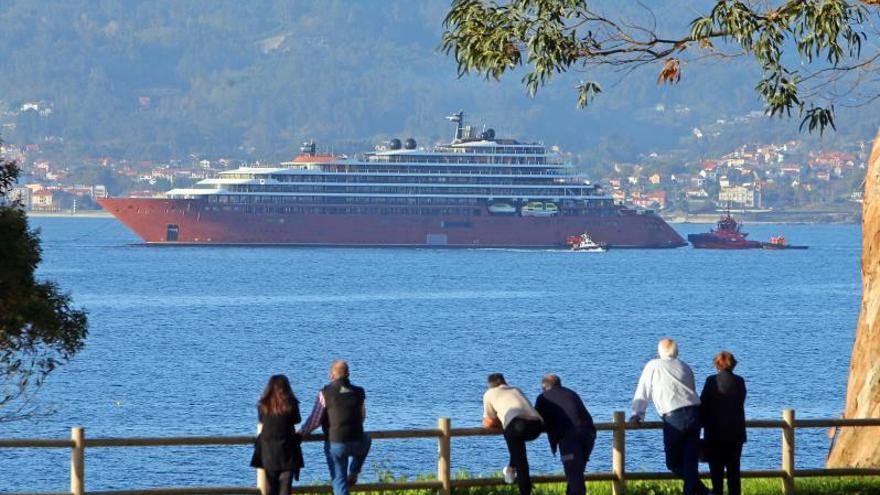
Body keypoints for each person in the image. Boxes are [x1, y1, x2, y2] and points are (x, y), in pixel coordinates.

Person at [630, 339, 709, 495]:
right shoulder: (685, 366)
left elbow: (643, 391)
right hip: (694, 415)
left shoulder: (653, 365)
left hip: (674, 417)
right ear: (676, 351)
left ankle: (705, 492)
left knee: (673, 463)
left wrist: (637, 414)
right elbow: (692, 390)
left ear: (660, 351)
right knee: (690, 462)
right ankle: (698, 492)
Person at [299, 360, 371, 495]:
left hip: (336, 444)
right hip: (357, 441)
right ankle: (355, 471)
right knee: (367, 438)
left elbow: (315, 420)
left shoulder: (325, 392)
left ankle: (351, 475)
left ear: (331, 375)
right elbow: (362, 416)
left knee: (339, 483)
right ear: (348, 374)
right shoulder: (359, 392)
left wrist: (300, 433)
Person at [534, 374, 596, 495]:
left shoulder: (543, 397)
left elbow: (537, 419)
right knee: (577, 473)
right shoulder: (571, 393)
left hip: (569, 437)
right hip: (589, 433)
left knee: (574, 476)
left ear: (544, 387)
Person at [482, 373, 544, 495]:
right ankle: (510, 468)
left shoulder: (489, 393)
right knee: (517, 448)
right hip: (537, 425)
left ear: (490, 385)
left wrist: (500, 421)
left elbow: (489, 422)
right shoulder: (516, 389)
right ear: (505, 382)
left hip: (517, 425)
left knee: (521, 462)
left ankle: (523, 489)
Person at [700, 351, 747, 495]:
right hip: (735, 433)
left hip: (714, 433)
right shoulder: (739, 381)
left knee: (716, 473)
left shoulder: (711, 381)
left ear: (717, 364)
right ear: (733, 364)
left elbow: (703, 405)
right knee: (734, 472)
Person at [250, 375, 304, 495]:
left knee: (271, 487)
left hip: (268, 451)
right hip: (288, 450)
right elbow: (297, 420)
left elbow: (261, 420)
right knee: (285, 486)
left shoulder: (263, 405)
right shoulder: (291, 403)